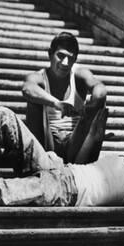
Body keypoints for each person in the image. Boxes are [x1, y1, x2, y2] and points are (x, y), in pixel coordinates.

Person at [22, 32, 107, 163]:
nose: (65, 63)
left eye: (70, 58)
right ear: (50, 54)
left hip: (75, 145)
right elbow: (27, 89)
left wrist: (91, 105)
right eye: (60, 56)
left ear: (75, 59)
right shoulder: (39, 76)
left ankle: (85, 167)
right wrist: (57, 104)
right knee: (33, 102)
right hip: (46, 144)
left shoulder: (79, 74)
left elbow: (100, 90)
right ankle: (34, 165)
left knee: (99, 104)